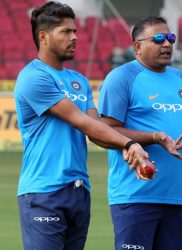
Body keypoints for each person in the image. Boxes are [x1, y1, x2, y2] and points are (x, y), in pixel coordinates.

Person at [14, 2, 149, 250]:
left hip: (78, 191)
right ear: (43, 37)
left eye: (74, 31)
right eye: (65, 32)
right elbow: (82, 122)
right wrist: (130, 143)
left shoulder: (79, 81)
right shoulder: (33, 77)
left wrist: (131, 151)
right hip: (44, 191)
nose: (75, 37)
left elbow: (96, 130)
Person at [98, 16, 182, 250]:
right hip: (135, 196)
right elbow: (106, 130)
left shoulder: (180, 78)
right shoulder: (121, 78)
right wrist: (153, 137)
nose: (167, 44)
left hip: (174, 198)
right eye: (158, 39)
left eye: (170, 38)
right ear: (137, 47)